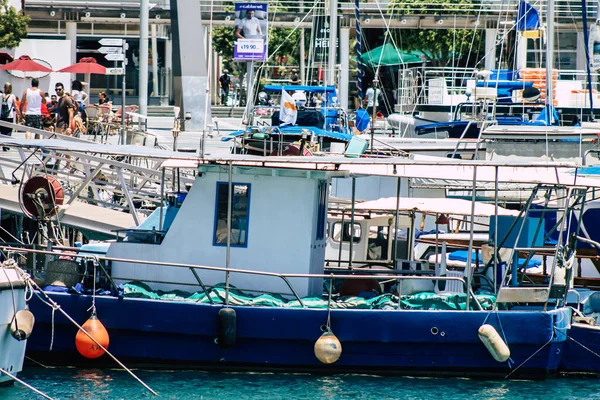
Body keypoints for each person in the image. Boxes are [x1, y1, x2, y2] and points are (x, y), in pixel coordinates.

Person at [0, 82, 16, 151]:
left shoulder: (0, 95)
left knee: (2, 131)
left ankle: (2, 143)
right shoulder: (12, 96)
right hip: (9, 116)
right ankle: (6, 145)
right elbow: (16, 106)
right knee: (9, 130)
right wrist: (20, 114)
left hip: (2, 115)